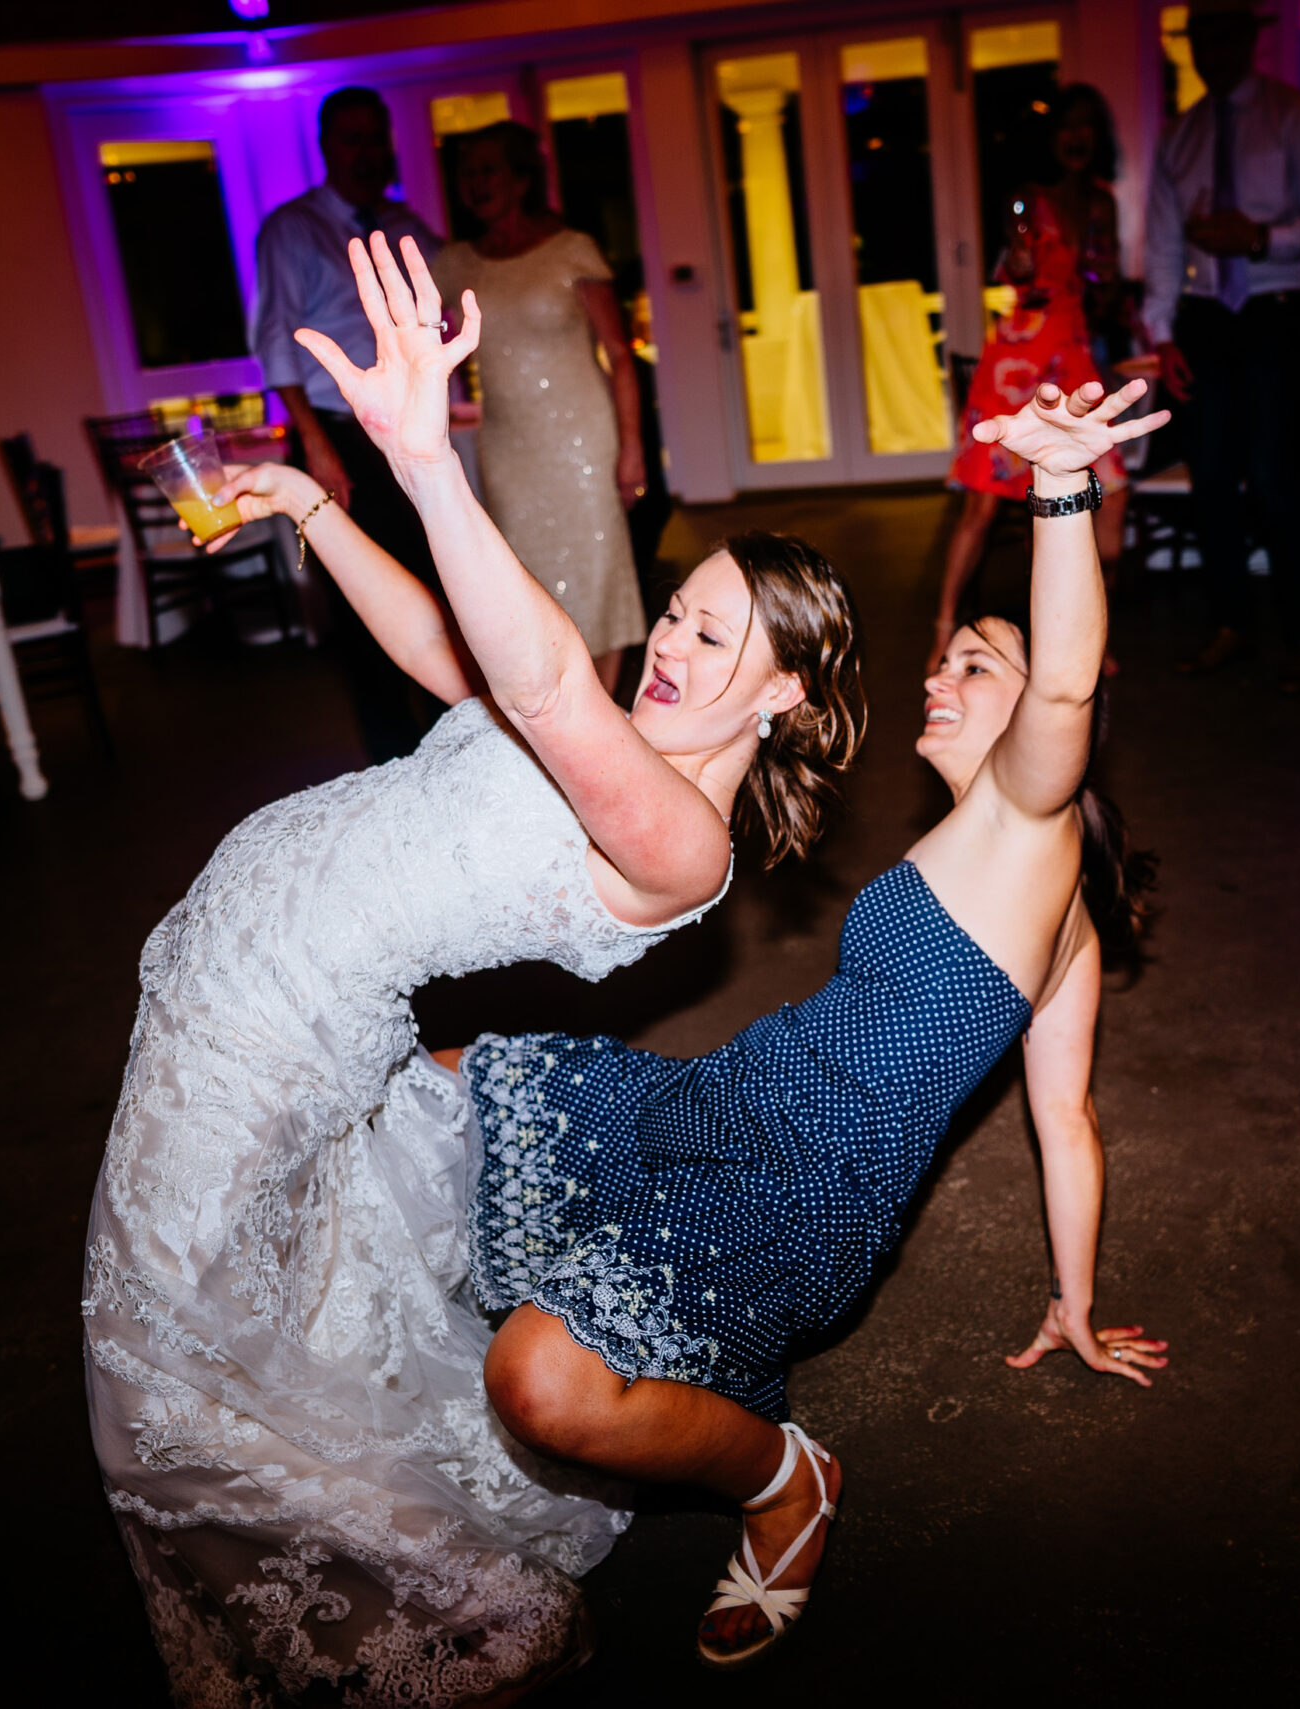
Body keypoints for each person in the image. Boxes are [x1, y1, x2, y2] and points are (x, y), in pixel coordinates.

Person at [84, 232, 865, 1705]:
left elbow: (539, 677)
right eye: (679, 611)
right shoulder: (603, 729)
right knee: (232, 1317)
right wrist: (318, 500)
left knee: (161, 1361)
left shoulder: (679, 839)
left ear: (785, 696)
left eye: (715, 636)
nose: (673, 645)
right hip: (230, 979)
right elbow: (454, 655)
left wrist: (428, 459)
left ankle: (426, 1601)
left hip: (276, 1029)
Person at [452, 376, 1171, 1669]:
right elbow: (1066, 1122)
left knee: (542, 1382)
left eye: (978, 663)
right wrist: (1075, 1300)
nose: (941, 674)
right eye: (946, 655)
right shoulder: (1038, 898)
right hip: (728, 1094)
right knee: (440, 1091)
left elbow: (1064, 689)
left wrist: (1062, 490)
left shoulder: (1030, 827)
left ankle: (787, 1482)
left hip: (800, 1189)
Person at [1144, 0, 1300, 694]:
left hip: (1272, 313)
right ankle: (1231, 624)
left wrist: (1262, 239)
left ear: (1250, 37)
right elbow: (1164, 242)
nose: (1213, 44)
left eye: (1227, 29)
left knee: (1275, 478)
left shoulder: (1297, 117)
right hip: (1204, 318)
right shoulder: (1179, 136)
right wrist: (1163, 331)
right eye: (1202, 32)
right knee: (1211, 482)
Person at [252, 87, 447, 762]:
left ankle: (452, 739)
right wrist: (316, 445)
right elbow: (276, 338)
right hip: (337, 432)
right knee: (367, 598)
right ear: (327, 147)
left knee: (436, 580)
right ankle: (397, 758)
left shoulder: (407, 222)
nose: (367, 151)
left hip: (408, 428)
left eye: (376, 137)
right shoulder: (293, 228)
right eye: (351, 138)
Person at [432, 121, 648, 696]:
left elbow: (621, 357)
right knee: (524, 576)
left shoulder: (572, 249)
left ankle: (601, 710)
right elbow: (437, 348)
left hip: (583, 435)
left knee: (597, 569)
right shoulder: (454, 264)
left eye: (489, 169)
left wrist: (632, 448)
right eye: (467, 171)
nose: (476, 183)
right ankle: (551, 704)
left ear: (522, 178)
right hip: (508, 443)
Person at [932, 83, 1131, 673]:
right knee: (982, 510)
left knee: (1110, 500)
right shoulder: (1026, 197)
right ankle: (942, 627)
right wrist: (1016, 262)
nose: (1077, 135)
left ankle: (1086, 634)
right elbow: (1015, 265)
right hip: (1018, 361)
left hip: (1072, 354)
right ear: (1052, 137)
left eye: (1087, 125)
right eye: (1067, 124)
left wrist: (1106, 281)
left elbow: (1108, 286)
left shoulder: (1102, 205)